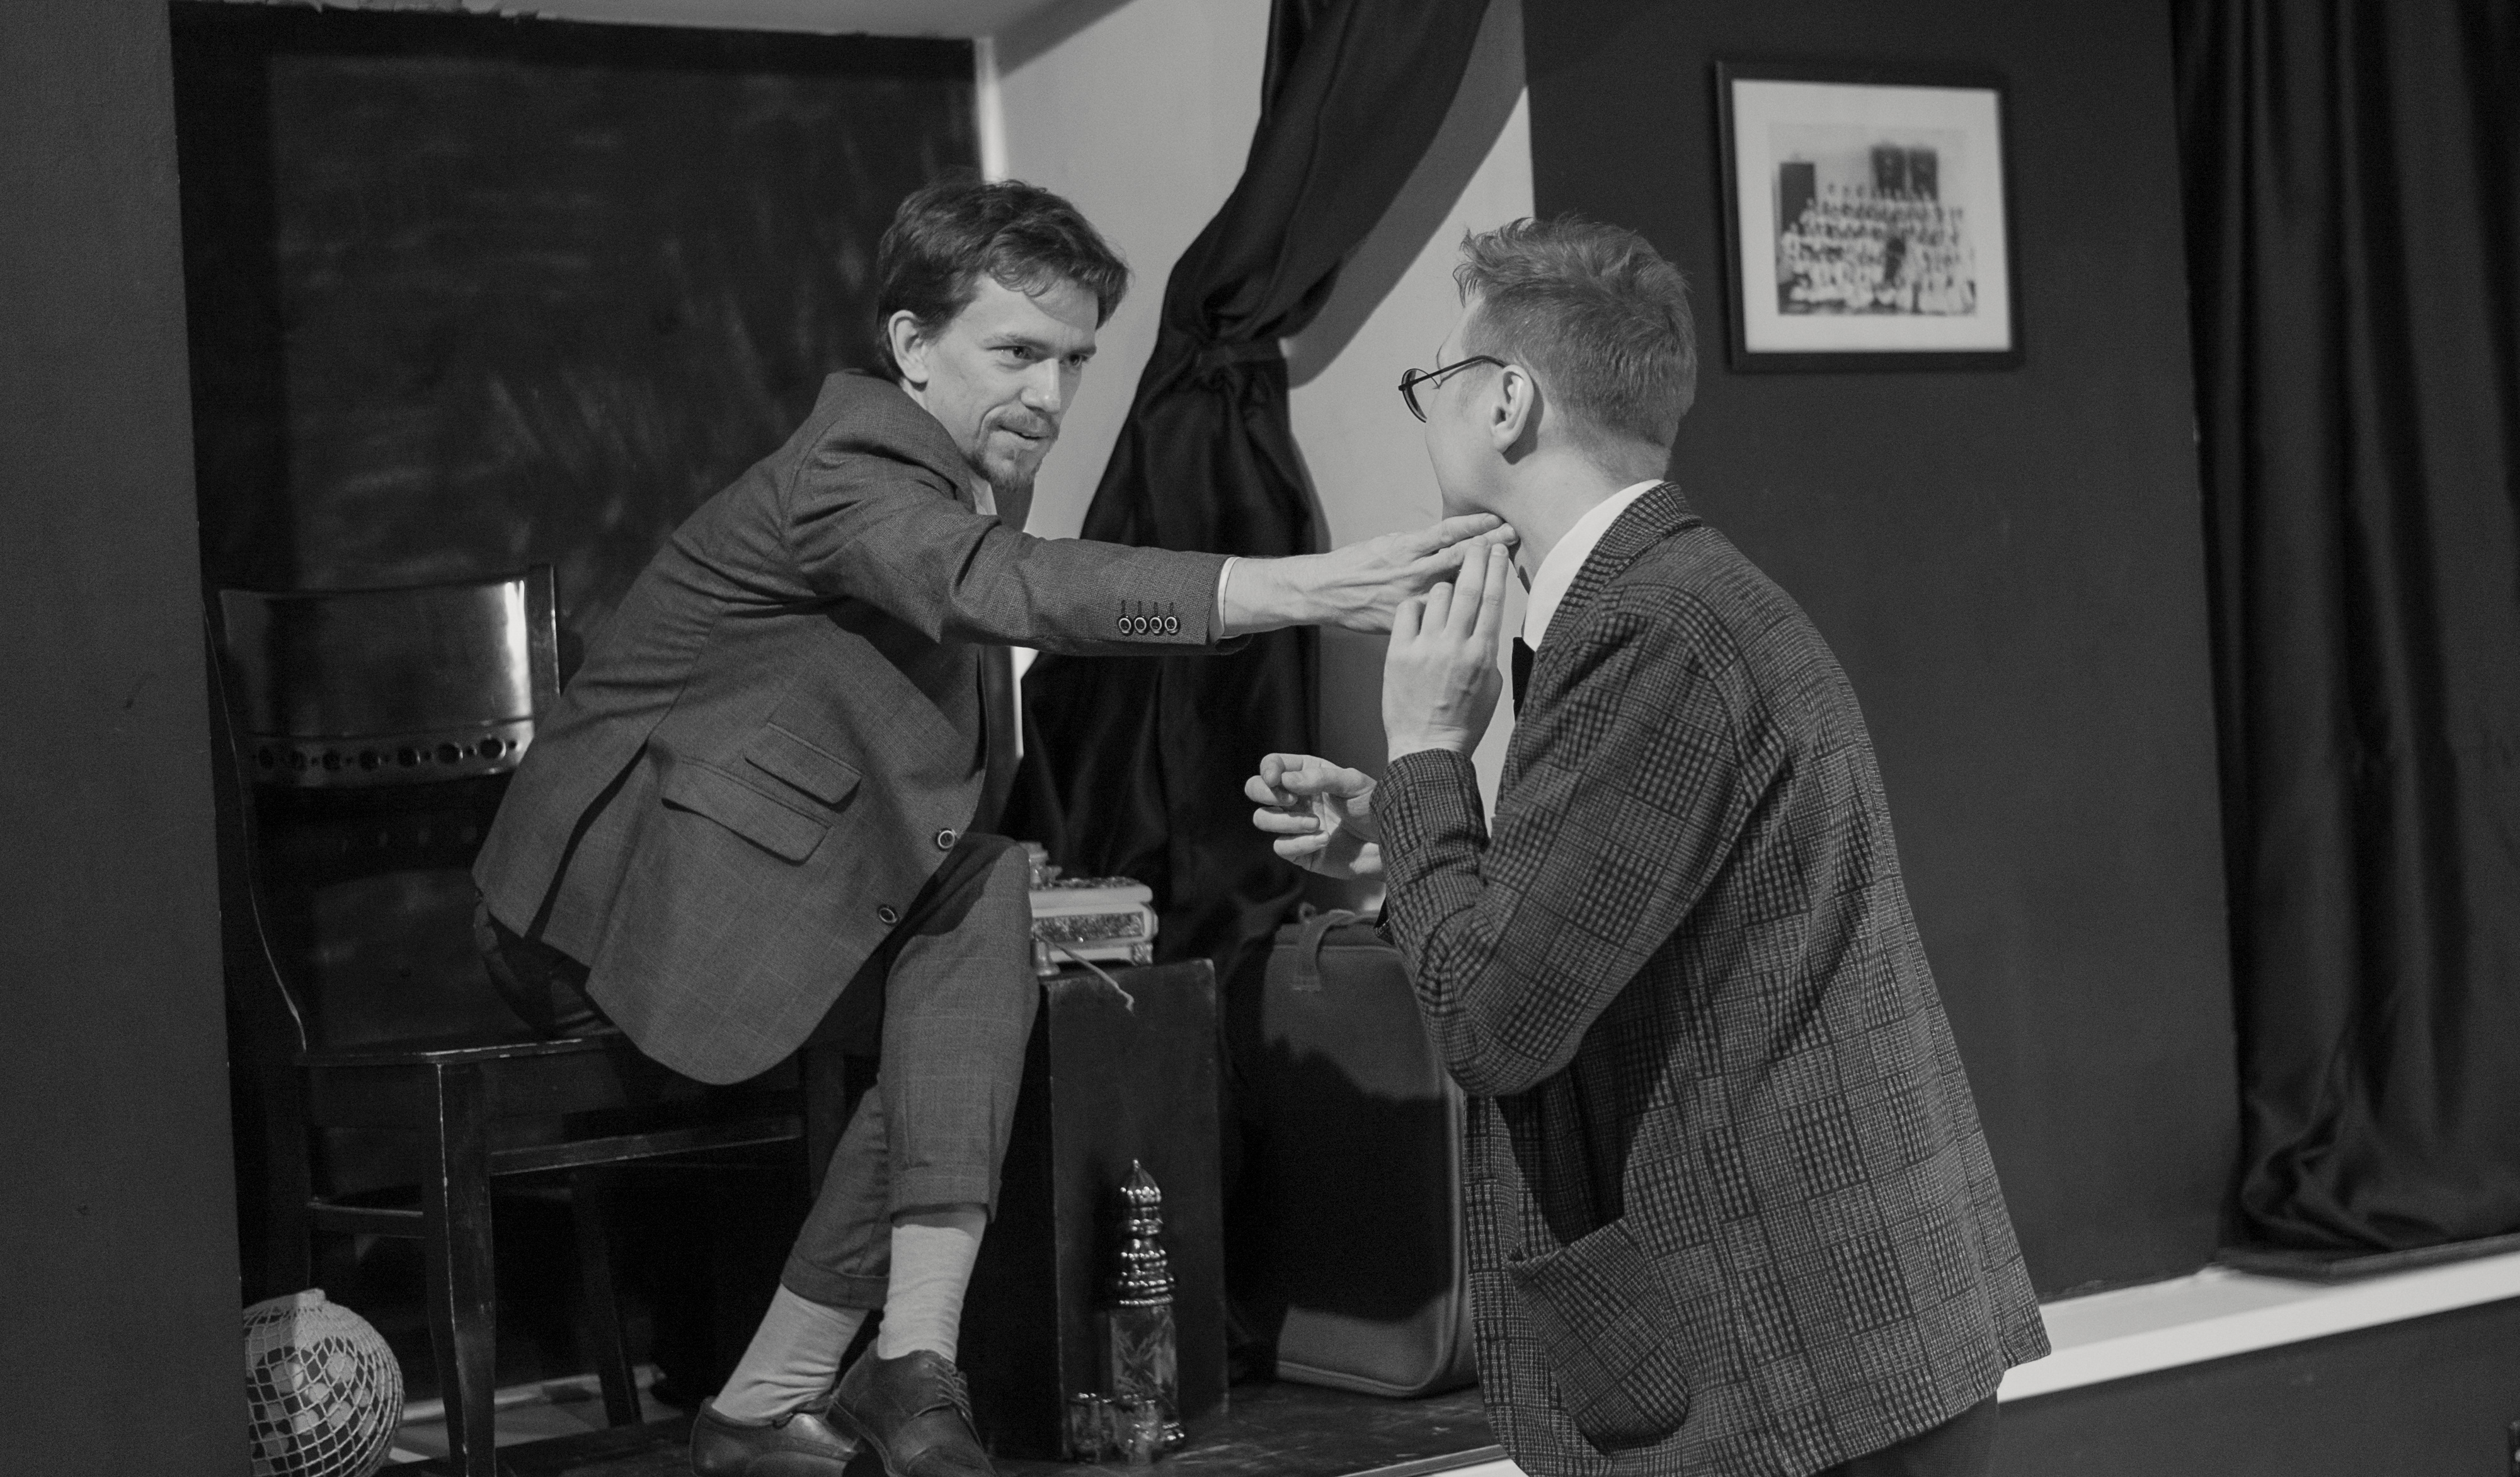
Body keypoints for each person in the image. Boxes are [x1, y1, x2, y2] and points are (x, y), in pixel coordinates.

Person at [472, 176, 1511, 1477]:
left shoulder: (959, 478)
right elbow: (1000, 585)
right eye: (1016, 353)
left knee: (981, 915)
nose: (1051, 395)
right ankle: (816, 1386)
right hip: (602, 908)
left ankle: (886, 1368)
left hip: (760, 885)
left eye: (1073, 360)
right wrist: (1293, 586)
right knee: (969, 947)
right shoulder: (852, 467)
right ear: (911, 346)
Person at [1248, 217, 2046, 1477]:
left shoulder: (1653, 630)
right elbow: (1591, 928)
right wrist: (1397, 835)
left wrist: (1425, 755)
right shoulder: (1663, 601)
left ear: (1505, 400)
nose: (1422, 412)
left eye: (1426, 382)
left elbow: (1496, 1022)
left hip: (1802, 1371)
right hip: (1832, 1351)